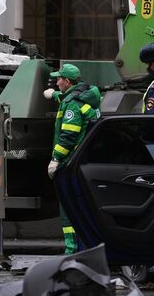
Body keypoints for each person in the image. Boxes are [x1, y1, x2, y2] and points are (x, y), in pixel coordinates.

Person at [43, 63, 101, 254]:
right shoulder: (82, 98)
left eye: (59, 79)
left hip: (70, 164)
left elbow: (68, 135)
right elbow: (70, 100)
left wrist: (56, 159)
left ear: (67, 81)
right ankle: (83, 250)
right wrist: (54, 95)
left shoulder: (72, 105)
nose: (57, 82)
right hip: (83, 162)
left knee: (69, 211)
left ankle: (73, 252)